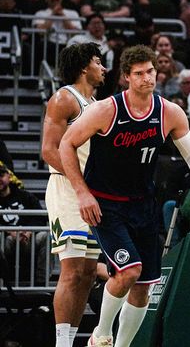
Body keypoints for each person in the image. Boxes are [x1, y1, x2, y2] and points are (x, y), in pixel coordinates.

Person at [58, 45, 190, 347]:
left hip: (143, 204)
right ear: (126, 77)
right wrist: (82, 193)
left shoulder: (169, 112)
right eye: (139, 73)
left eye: (151, 71)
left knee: (144, 286)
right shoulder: (106, 110)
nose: (147, 78)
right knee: (129, 271)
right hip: (105, 204)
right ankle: (101, 335)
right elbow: (66, 144)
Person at [41, 43, 106, 347]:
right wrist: (80, 184)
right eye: (97, 62)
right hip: (68, 190)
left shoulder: (97, 103)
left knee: (89, 272)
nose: (103, 68)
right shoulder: (64, 99)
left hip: (89, 191)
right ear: (83, 67)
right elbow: (49, 150)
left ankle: (69, 339)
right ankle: (61, 344)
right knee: (72, 270)